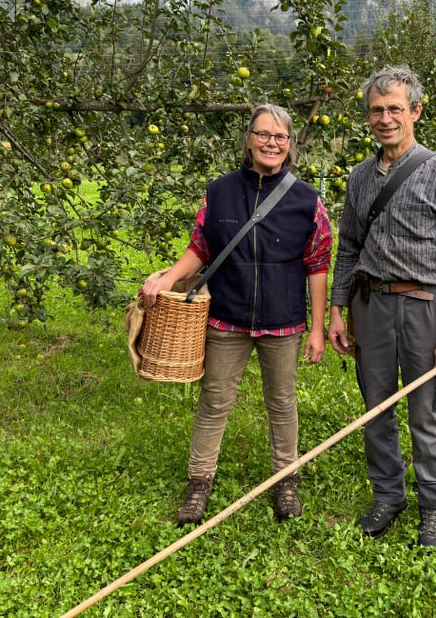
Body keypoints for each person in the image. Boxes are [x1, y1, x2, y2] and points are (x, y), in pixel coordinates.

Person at [140, 103, 332, 526]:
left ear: (290, 146)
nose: (271, 143)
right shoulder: (220, 192)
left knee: (282, 403)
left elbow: (318, 265)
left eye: (280, 137)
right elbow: (199, 248)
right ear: (248, 139)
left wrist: (317, 328)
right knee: (214, 402)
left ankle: (285, 481)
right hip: (227, 317)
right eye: (263, 134)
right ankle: (199, 483)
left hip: (283, 321)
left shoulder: (307, 201)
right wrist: (167, 280)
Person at [327, 65, 436, 552]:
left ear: (414, 111)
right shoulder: (359, 178)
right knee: (377, 407)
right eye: (376, 110)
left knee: (425, 410)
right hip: (370, 307)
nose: (385, 118)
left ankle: (434, 507)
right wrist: (336, 309)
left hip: (424, 307)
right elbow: (348, 248)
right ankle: (387, 496)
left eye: (394, 108)